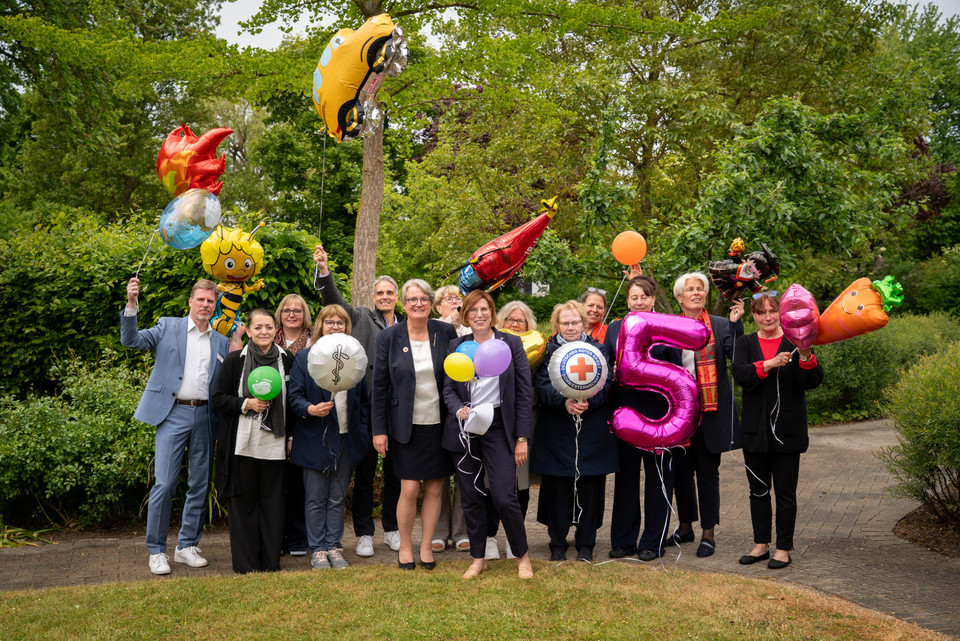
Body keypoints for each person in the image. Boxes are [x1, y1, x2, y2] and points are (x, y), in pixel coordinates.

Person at [120, 277, 231, 575]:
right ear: (191, 302)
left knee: (199, 484)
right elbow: (131, 341)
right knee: (165, 483)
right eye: (201, 300)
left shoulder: (221, 340)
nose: (206, 305)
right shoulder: (168, 326)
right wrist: (132, 304)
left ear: (215, 304)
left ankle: (186, 547)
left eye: (211, 301)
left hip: (205, 416)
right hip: (172, 414)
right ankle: (156, 551)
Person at [314, 245, 402, 557]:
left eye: (390, 292)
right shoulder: (361, 317)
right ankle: (364, 532)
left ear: (397, 296)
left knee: (396, 473)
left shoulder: (406, 324)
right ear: (374, 297)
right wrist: (324, 271)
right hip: (367, 408)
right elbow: (334, 304)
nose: (385, 297)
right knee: (365, 472)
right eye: (380, 292)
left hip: (399, 410)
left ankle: (392, 528)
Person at [442, 290, 535, 579]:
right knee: (470, 496)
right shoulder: (457, 345)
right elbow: (447, 388)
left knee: (505, 495)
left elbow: (523, 394)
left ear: (492, 312)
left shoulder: (511, 343)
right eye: (473, 311)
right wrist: (459, 409)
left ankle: (522, 556)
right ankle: (478, 558)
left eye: (484, 309)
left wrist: (522, 438)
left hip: (499, 429)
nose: (479, 315)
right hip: (467, 428)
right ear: (465, 316)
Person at [732, 292, 823, 569]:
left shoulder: (797, 341)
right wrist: (768, 365)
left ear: (782, 314)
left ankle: (783, 548)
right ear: (754, 316)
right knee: (757, 490)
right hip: (754, 433)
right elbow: (740, 374)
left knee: (784, 492)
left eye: (773, 311)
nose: (768, 317)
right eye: (761, 312)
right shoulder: (745, 342)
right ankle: (761, 545)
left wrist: (806, 356)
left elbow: (812, 380)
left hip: (788, 431)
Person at [371, 279, 458, 570]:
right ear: (403, 304)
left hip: (439, 423)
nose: (418, 304)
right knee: (408, 489)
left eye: (423, 299)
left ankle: (426, 547)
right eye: (412, 299)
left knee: (436, 487)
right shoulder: (389, 337)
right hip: (404, 426)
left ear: (431, 303)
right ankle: (405, 547)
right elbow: (379, 386)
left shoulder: (445, 331)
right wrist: (379, 430)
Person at [531, 301, 617, 562]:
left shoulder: (598, 350)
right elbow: (542, 385)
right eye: (565, 322)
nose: (571, 327)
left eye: (575, 322)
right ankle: (557, 543)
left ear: (584, 322)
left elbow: (606, 382)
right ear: (556, 324)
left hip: (591, 428)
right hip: (557, 429)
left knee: (590, 486)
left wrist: (589, 402)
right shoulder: (546, 351)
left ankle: (586, 543)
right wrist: (564, 402)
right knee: (557, 487)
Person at [607, 275, 684, 561]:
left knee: (658, 480)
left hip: (659, 415)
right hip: (625, 414)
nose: (639, 302)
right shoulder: (615, 328)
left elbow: (677, 372)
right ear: (627, 300)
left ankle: (653, 542)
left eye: (644, 296)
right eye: (633, 297)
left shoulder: (665, 329)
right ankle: (623, 541)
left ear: (653, 299)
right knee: (625, 479)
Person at [288, 305, 370, 571]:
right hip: (314, 437)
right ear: (320, 325)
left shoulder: (356, 357)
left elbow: (365, 402)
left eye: (341, 323)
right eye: (330, 322)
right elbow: (294, 397)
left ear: (348, 327)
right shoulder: (304, 358)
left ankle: (334, 546)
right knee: (314, 497)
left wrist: (363, 431)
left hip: (346, 438)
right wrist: (310, 409)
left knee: (337, 496)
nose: (335, 327)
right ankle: (318, 550)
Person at [211, 308, 293, 574]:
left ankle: (270, 564)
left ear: (275, 330)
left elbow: (292, 402)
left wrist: (291, 436)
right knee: (244, 507)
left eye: (269, 327)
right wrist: (247, 403)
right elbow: (218, 398)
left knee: (273, 506)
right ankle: (246, 566)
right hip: (243, 444)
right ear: (247, 330)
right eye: (257, 327)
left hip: (275, 445)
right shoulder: (235, 361)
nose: (263, 332)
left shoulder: (286, 360)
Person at [671, 272, 744, 558]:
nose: (697, 293)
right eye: (690, 289)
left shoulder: (721, 325)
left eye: (700, 289)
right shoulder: (669, 327)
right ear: (680, 297)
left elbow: (736, 356)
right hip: (678, 413)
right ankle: (685, 526)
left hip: (710, 412)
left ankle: (708, 533)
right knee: (681, 474)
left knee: (707, 474)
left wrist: (737, 327)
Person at [490, 300, 540, 558]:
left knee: (520, 483)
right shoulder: (491, 344)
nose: (514, 324)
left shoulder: (537, 349)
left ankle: (515, 538)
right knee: (491, 482)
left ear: (528, 325)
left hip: (525, 418)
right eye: (509, 320)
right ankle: (489, 536)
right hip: (495, 420)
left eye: (520, 321)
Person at [432, 285, 470, 553]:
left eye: (458, 298)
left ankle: (461, 532)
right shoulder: (432, 329)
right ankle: (439, 530)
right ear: (438, 306)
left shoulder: (472, 332)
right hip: (434, 411)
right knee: (439, 475)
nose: (454, 303)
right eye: (448, 299)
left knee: (465, 473)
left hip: (464, 410)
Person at [274, 294, 313, 557]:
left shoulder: (314, 341)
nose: (291, 314)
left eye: (297, 311)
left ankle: (299, 537)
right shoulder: (268, 337)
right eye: (286, 310)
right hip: (274, 415)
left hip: (303, 415)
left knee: (299, 482)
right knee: (277, 483)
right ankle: (278, 536)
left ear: (305, 314)